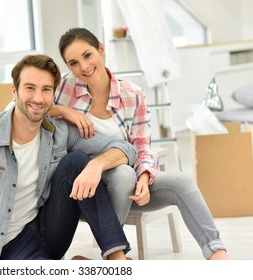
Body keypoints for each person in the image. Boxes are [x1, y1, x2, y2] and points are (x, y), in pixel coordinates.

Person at [50, 27, 229, 260]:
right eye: (73, 63)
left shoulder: (133, 95)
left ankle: (218, 254)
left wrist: (144, 178)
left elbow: (142, 147)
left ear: (101, 50)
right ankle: (114, 258)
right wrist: (64, 111)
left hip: (126, 187)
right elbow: (24, 107)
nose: (83, 67)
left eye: (87, 55)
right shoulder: (64, 88)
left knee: (180, 181)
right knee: (124, 173)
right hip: (85, 191)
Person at [0, 54, 138, 260]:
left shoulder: (60, 132)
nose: (38, 98)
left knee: (76, 162)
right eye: (30, 88)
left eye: (46, 89)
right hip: (6, 248)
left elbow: (125, 148)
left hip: (48, 230)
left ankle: (116, 259)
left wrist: (96, 165)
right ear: (15, 91)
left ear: (53, 94)